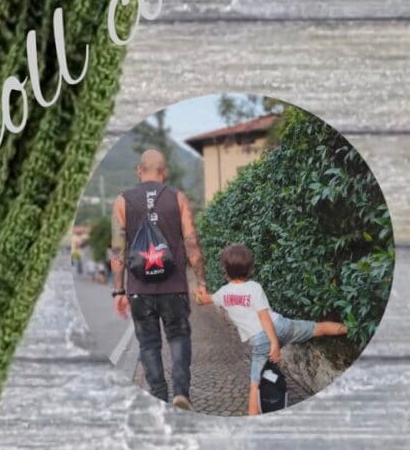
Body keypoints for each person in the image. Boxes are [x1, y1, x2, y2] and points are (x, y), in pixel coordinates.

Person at [111, 148, 212, 408]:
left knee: (148, 345)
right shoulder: (177, 197)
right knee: (178, 337)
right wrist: (201, 283)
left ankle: (158, 396)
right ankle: (181, 393)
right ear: (164, 172)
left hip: (139, 290)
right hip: (174, 286)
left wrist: (119, 291)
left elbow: (117, 251)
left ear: (139, 170)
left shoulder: (122, 201)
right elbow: (191, 242)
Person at [213, 242, 349, 410]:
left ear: (224, 269)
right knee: (318, 328)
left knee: (255, 384)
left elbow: (263, 318)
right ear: (249, 268)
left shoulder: (223, 293)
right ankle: (352, 329)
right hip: (282, 325)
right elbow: (266, 316)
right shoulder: (254, 287)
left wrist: (275, 344)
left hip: (263, 339)